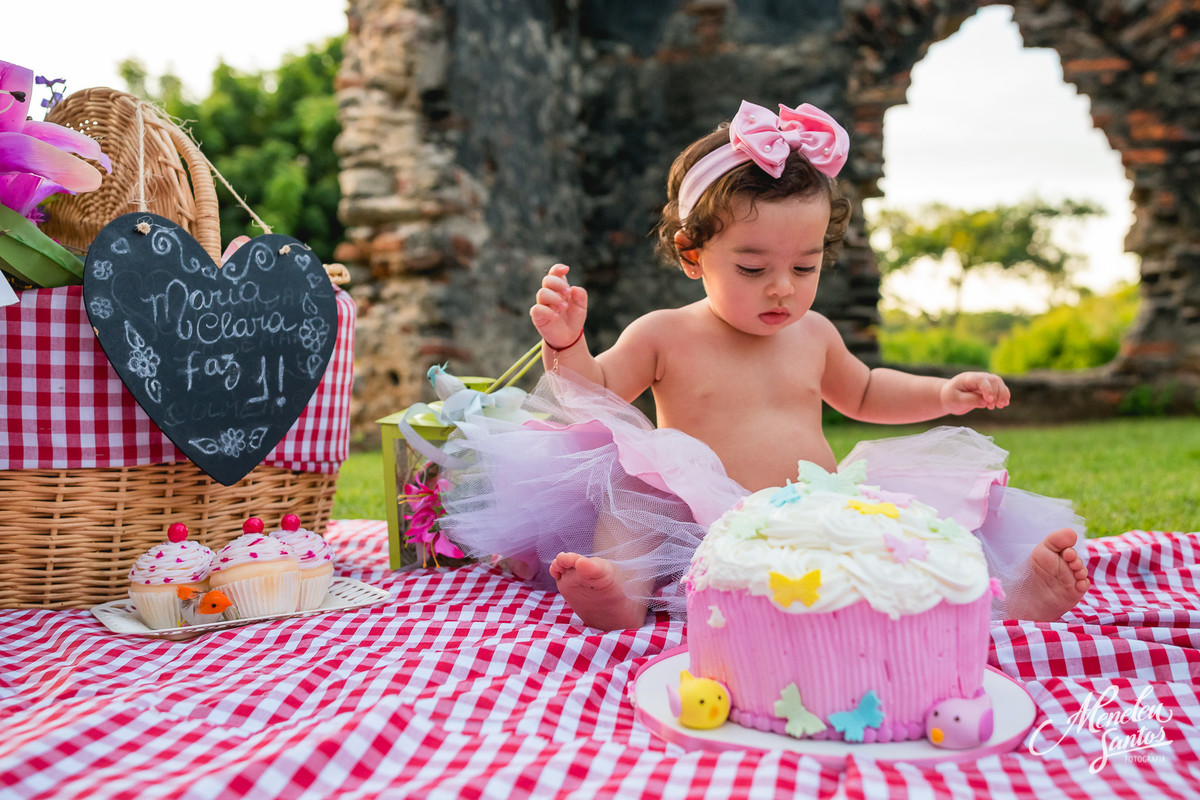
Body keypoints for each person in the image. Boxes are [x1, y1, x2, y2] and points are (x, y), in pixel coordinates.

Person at [438, 100, 1090, 631]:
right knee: (636, 489)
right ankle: (621, 589)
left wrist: (943, 392)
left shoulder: (816, 334)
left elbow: (866, 391)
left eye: (804, 266)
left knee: (914, 529)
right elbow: (593, 395)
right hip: (703, 526)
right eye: (753, 268)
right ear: (693, 255)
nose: (783, 287)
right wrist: (568, 341)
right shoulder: (664, 333)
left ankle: (1010, 593)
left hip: (818, 518)